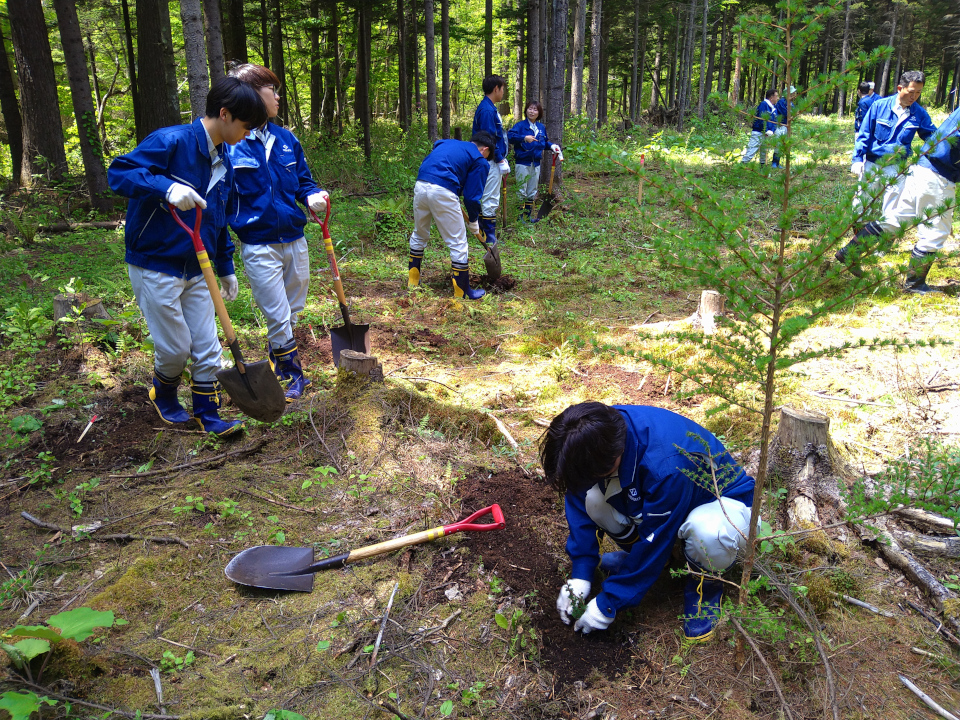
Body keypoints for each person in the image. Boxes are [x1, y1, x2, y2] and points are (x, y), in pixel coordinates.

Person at [108, 77, 267, 436]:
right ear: (224, 114)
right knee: (175, 349)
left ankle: (208, 413)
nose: (247, 135)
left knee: (208, 346)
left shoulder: (224, 160)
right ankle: (162, 393)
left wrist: (225, 266)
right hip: (156, 263)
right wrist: (165, 187)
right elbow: (119, 173)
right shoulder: (171, 141)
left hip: (199, 267)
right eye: (245, 126)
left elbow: (217, 218)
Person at [540, 402, 756, 641]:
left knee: (708, 534)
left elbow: (656, 540)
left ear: (612, 459)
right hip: (666, 501)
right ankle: (658, 561)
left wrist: (610, 601)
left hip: (722, 506)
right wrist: (581, 574)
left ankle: (705, 587)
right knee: (593, 499)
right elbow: (579, 495)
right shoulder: (597, 432)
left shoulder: (665, 465)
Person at [224, 64, 329, 402]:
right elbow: (221, 199)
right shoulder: (231, 143)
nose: (278, 97)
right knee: (278, 314)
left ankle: (276, 358)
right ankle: (294, 374)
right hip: (259, 244)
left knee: (293, 308)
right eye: (272, 90)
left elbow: (303, 181)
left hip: (295, 239)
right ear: (252, 94)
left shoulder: (286, 139)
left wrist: (312, 196)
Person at [834, 109, 960, 293]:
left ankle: (849, 252)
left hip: (922, 167)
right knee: (935, 231)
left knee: (898, 218)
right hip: (939, 174)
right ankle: (915, 284)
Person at [407, 131, 497, 300]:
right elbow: (471, 197)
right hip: (443, 190)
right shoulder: (479, 160)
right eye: (487, 156)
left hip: (421, 184)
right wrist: (474, 221)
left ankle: (413, 283)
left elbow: (439, 153)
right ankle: (462, 292)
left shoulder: (447, 143)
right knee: (458, 242)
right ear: (485, 149)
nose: (485, 160)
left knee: (419, 234)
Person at [847, 71, 935, 229]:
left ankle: (884, 239)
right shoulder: (879, 106)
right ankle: (859, 237)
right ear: (900, 88)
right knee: (861, 205)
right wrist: (857, 159)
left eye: (918, 92)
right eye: (911, 92)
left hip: (897, 167)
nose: (914, 97)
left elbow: (933, 136)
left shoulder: (919, 113)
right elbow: (864, 134)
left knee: (892, 210)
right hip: (872, 163)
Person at [472, 75, 510, 247]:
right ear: (496, 89)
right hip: (490, 160)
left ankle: (483, 231)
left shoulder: (489, 107)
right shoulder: (487, 110)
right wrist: (500, 159)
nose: (503, 92)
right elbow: (488, 138)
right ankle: (489, 236)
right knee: (490, 196)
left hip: (490, 158)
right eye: (502, 89)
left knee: (488, 194)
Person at [508, 101, 560, 223]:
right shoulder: (520, 126)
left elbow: (543, 143)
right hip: (522, 162)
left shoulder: (540, 128)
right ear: (526, 110)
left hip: (536, 163)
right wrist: (524, 138)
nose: (532, 112)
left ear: (539, 113)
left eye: (535, 109)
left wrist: (551, 146)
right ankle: (519, 218)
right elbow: (510, 136)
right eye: (530, 109)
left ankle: (528, 216)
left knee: (532, 191)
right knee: (521, 190)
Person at [740, 90, 779, 166]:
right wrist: (766, 130)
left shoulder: (774, 108)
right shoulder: (763, 105)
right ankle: (741, 167)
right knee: (752, 150)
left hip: (768, 134)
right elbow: (761, 118)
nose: (777, 98)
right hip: (758, 132)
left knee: (764, 152)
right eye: (776, 96)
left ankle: (763, 167)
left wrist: (772, 131)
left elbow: (775, 121)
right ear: (771, 97)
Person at [770, 86, 795, 169]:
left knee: (783, 144)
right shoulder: (781, 102)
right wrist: (791, 113)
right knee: (778, 143)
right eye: (792, 93)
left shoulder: (791, 103)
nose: (793, 94)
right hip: (780, 125)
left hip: (786, 126)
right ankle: (774, 162)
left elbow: (794, 112)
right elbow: (785, 113)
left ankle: (778, 162)